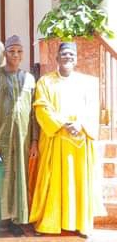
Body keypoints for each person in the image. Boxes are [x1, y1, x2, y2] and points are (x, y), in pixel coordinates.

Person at [29, 42, 99, 237]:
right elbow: (41, 107)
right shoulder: (45, 82)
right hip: (56, 139)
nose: (68, 57)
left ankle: (80, 224)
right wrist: (62, 124)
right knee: (52, 182)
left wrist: (81, 124)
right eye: (64, 54)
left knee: (78, 183)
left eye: (71, 54)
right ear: (57, 58)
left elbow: (93, 109)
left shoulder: (88, 83)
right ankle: (49, 224)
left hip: (79, 142)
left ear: (76, 59)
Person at [0, 35, 38, 236]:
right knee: (1, 176)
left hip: (23, 139)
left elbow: (34, 113)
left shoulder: (30, 78)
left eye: (19, 51)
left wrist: (34, 140)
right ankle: (0, 218)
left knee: (19, 177)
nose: (15, 55)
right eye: (11, 51)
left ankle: (17, 219)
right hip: (1, 137)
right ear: (4, 53)